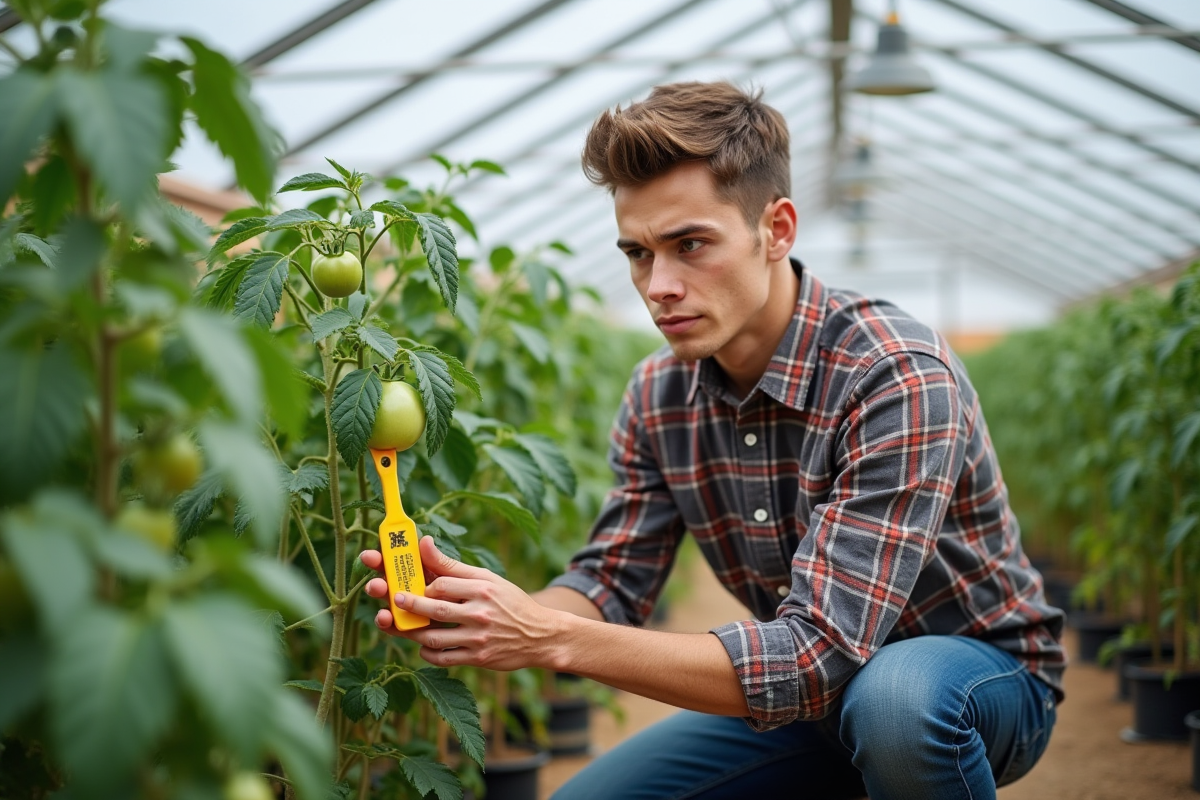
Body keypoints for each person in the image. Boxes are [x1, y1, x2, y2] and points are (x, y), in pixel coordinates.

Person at [361, 81, 1065, 800]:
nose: (659, 284)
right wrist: (495, 610)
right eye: (637, 253)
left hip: (975, 683)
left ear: (777, 230)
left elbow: (817, 653)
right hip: (815, 705)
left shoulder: (894, 375)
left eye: (690, 244)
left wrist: (547, 638)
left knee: (894, 705)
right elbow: (612, 585)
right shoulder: (659, 393)